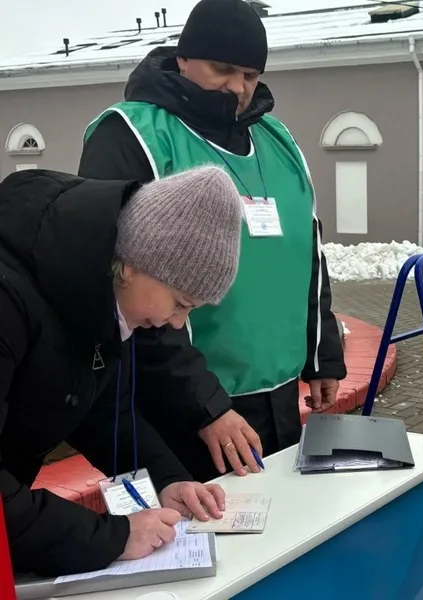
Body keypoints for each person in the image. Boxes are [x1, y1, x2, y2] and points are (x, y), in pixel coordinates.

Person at [77, 0, 347, 483]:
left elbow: (309, 255)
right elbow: (119, 288)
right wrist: (205, 405)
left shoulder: (278, 140)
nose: (238, 88)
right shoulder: (132, 135)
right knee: (213, 542)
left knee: (283, 531)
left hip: (278, 396)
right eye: (222, 69)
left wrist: (321, 356)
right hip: (185, 404)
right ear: (183, 58)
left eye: (250, 74)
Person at [0, 165, 244, 577]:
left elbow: (100, 407)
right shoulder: (9, 301)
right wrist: (111, 538)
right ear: (131, 264)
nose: (176, 323)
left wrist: (168, 481)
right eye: (180, 302)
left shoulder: (95, 288)